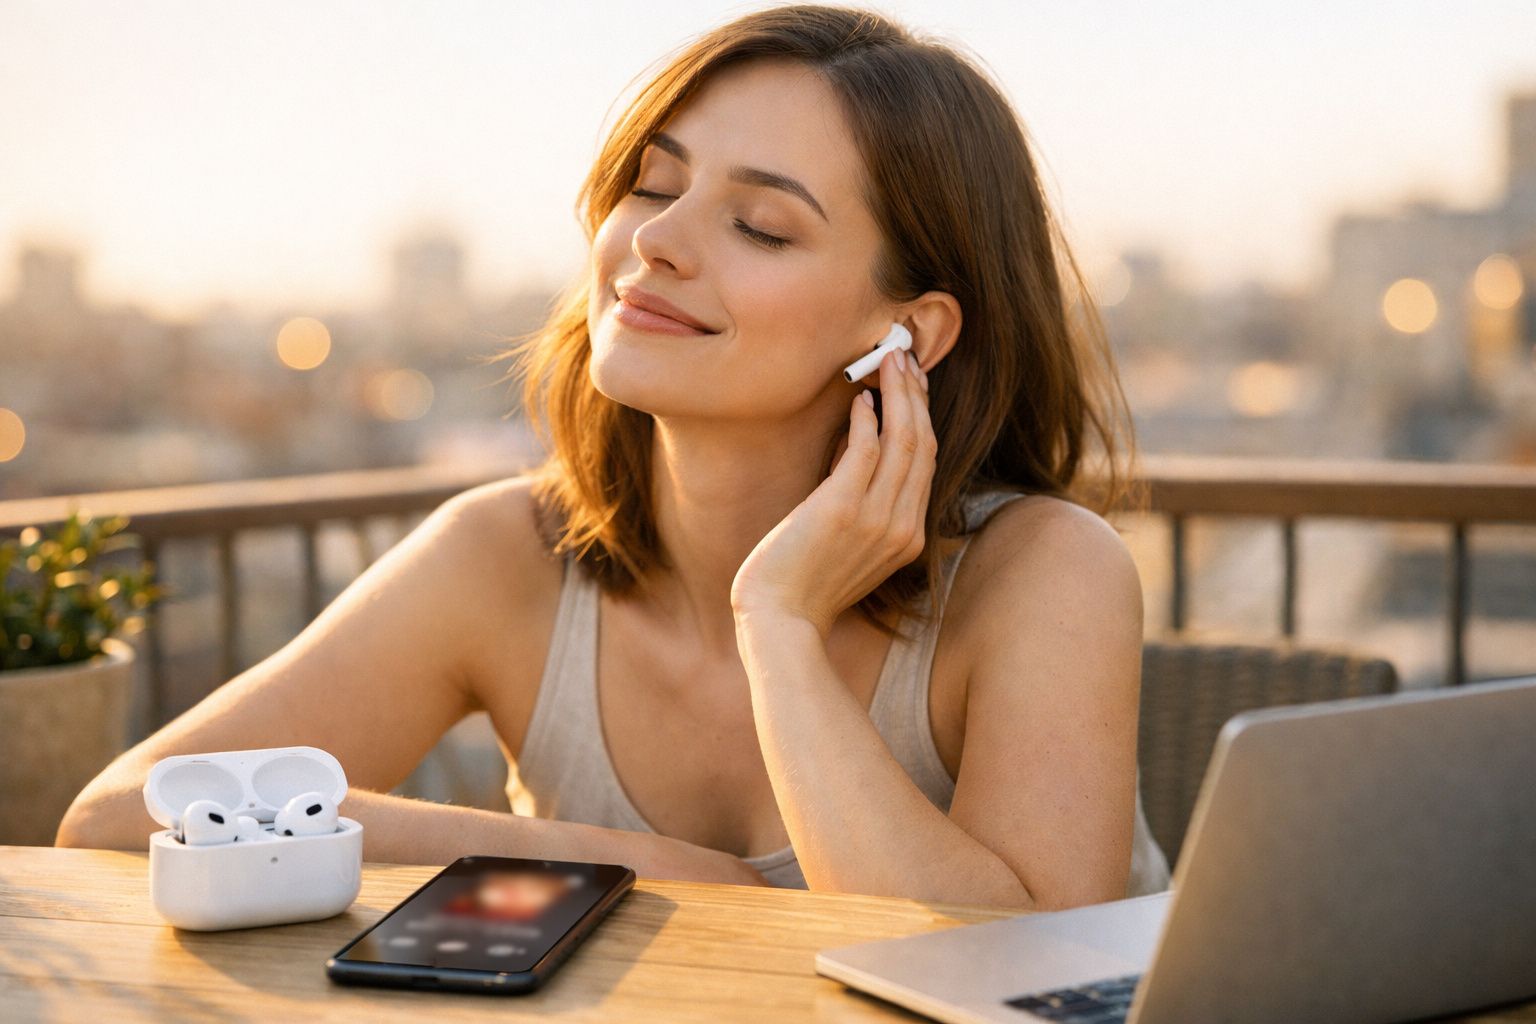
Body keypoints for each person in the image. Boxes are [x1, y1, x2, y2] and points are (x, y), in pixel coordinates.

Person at [59, 3, 1170, 909]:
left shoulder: (1044, 574)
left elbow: (1022, 975)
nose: (657, 241)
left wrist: (778, 625)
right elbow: (117, 822)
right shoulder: (507, 554)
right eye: (654, 184)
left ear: (909, 334)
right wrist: (666, 872)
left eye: (760, 225)